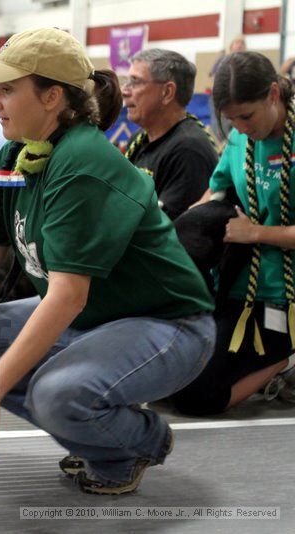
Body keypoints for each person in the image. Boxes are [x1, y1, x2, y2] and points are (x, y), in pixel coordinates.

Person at [0, 28, 215, 495]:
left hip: (167, 326)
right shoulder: (14, 154)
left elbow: (67, 296)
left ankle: (135, 443)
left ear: (53, 96)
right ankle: (95, 436)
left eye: (8, 89)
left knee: (56, 394)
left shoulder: (82, 164)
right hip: (98, 316)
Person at [171, 51, 295, 415]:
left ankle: (284, 361)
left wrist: (255, 233)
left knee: (197, 398)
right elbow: (215, 193)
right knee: (171, 378)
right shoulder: (240, 140)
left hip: (284, 296)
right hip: (236, 287)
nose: (239, 127)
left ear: (274, 94)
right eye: (230, 119)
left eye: (247, 116)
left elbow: (250, 230)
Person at [122, 49, 218, 220]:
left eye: (135, 82)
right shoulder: (139, 139)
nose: (125, 91)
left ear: (167, 93)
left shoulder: (188, 150)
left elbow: (170, 229)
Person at [209, 36, 246, 142]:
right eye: (237, 42)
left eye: (242, 43)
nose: (239, 45)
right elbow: (213, 78)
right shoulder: (222, 60)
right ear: (231, 46)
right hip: (222, 96)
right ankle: (221, 145)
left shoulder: (246, 62)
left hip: (240, 97)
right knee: (221, 124)